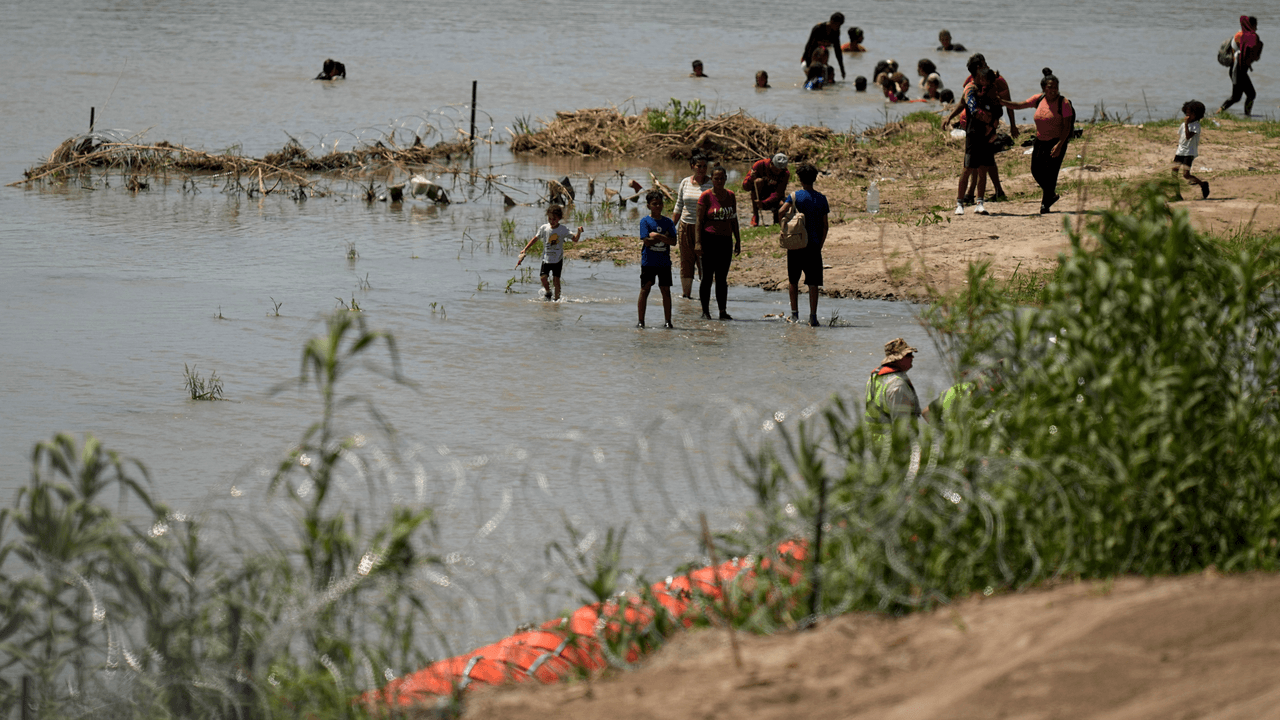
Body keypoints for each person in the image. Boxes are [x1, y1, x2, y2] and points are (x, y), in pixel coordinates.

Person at [943, 54, 1016, 202]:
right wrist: (950, 116)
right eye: (984, 64)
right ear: (978, 68)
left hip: (986, 125)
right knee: (978, 161)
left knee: (985, 160)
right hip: (971, 124)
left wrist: (1010, 125)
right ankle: (974, 193)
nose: (987, 66)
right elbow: (963, 103)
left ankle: (978, 193)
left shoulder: (995, 81)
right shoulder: (971, 82)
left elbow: (1006, 103)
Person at [1001, 67, 1075, 214]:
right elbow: (1020, 105)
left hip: (1057, 142)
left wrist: (1060, 145)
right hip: (1040, 141)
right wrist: (1002, 102)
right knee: (1036, 171)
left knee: (1051, 173)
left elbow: (1068, 127)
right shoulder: (1039, 99)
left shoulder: (1064, 103)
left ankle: (1045, 204)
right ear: (1043, 88)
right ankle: (1051, 195)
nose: (1053, 90)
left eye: (1055, 87)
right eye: (1050, 87)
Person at [778, 162, 829, 327]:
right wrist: (819, 244)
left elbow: (780, 212)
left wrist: (785, 226)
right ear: (815, 178)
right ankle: (813, 317)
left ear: (799, 179)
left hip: (796, 245)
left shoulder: (794, 196)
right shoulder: (821, 198)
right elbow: (825, 225)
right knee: (813, 282)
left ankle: (794, 315)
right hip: (814, 246)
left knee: (793, 280)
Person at [695, 165, 741, 320]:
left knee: (722, 278)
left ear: (726, 178)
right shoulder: (706, 196)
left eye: (722, 178)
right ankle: (705, 311)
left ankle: (722, 311)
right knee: (707, 277)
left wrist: (738, 240)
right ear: (712, 179)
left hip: (725, 241)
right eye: (716, 178)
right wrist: (698, 243)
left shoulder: (730, 195)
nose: (719, 181)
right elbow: (699, 221)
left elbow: (734, 218)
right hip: (709, 240)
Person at [954, 68, 1000, 216]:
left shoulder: (991, 96)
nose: (985, 83)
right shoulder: (971, 92)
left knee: (982, 170)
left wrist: (992, 126)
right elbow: (972, 109)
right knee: (967, 169)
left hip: (986, 137)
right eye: (983, 80)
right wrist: (988, 119)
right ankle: (959, 203)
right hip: (973, 135)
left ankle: (980, 203)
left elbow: (998, 113)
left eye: (988, 81)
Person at [516, 205, 584, 301]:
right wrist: (525, 249)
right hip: (546, 259)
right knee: (543, 278)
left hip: (557, 260)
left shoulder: (563, 229)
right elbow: (535, 238)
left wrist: (579, 232)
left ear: (559, 218)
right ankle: (548, 292)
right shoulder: (544, 228)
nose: (552, 221)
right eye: (550, 218)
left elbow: (575, 239)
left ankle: (557, 301)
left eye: (554, 219)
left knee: (556, 281)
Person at [671, 152, 713, 299]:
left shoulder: (711, 183)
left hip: (704, 228)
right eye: (698, 166)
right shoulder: (685, 182)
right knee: (686, 261)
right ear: (692, 166)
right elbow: (679, 205)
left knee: (703, 262)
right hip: (685, 225)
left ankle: (704, 296)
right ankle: (686, 296)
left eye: (704, 166)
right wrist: (671, 227)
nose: (702, 169)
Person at [864, 338, 925, 438]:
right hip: (894, 446)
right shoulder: (897, 385)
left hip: (876, 441)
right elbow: (901, 427)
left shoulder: (873, 378)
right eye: (908, 355)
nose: (912, 357)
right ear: (898, 358)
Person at [637, 190, 676, 328]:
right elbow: (646, 241)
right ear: (648, 206)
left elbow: (673, 241)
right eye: (654, 204)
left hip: (664, 262)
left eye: (660, 204)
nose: (658, 207)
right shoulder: (645, 221)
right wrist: (663, 237)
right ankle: (641, 321)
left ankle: (668, 321)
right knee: (645, 288)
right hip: (649, 261)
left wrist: (658, 236)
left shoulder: (668, 222)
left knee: (665, 290)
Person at [1219, 16, 1261, 117]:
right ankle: (1247, 116)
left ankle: (1220, 112)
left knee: (1238, 97)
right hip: (1237, 70)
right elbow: (1251, 54)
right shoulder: (1243, 36)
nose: (1256, 28)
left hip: (1239, 70)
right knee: (1247, 95)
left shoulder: (1242, 35)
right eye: (1255, 26)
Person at [1172, 101, 1211, 200]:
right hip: (1180, 151)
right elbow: (1182, 137)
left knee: (1186, 175)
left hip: (1189, 152)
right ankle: (1177, 195)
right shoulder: (1183, 125)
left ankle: (1203, 184)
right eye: (1187, 113)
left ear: (1197, 114)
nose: (1188, 115)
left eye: (1191, 113)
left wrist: (1186, 124)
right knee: (1173, 173)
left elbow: (1188, 136)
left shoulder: (1196, 126)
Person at [744, 153, 790, 227]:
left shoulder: (785, 174)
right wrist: (750, 179)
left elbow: (779, 193)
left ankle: (777, 217)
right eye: (776, 170)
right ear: (771, 163)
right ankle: (755, 215)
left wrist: (764, 203)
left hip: (774, 198)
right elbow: (745, 187)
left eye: (780, 171)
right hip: (759, 195)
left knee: (783, 203)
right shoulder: (759, 165)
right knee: (758, 181)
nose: (778, 173)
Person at [802, 12, 846, 80]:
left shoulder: (835, 32)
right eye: (838, 25)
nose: (839, 28)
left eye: (840, 26)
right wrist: (809, 66)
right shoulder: (818, 29)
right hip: (810, 59)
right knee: (813, 79)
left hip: (822, 59)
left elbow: (838, 51)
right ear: (831, 21)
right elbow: (809, 47)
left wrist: (842, 69)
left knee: (826, 77)